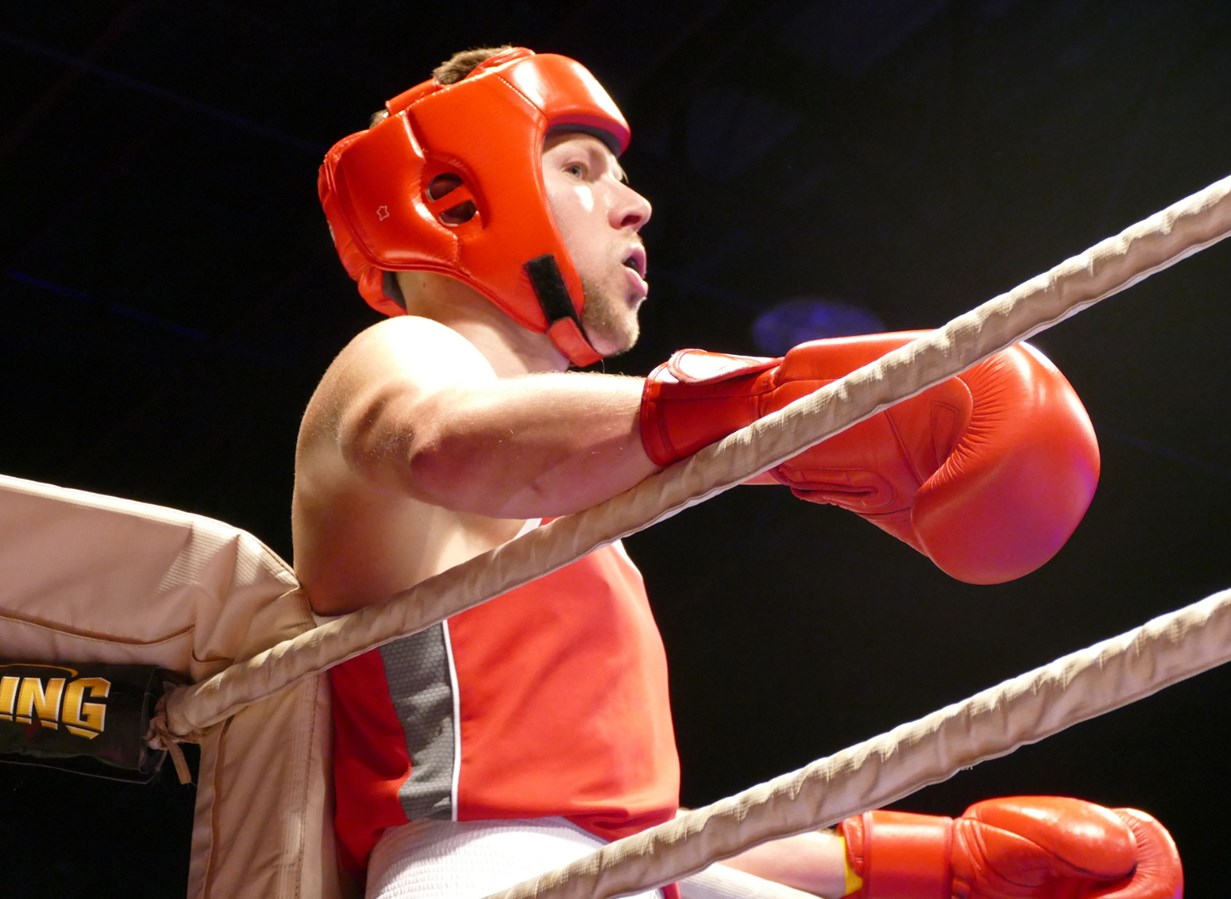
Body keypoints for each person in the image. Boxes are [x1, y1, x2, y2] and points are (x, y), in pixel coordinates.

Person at [298, 45, 1182, 899]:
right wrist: (777, 408)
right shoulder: (397, 357)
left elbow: (632, 842)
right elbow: (436, 438)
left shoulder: (573, 528)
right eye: (578, 169)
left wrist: (942, 863)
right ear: (452, 197)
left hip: (604, 872)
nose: (634, 204)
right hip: (479, 870)